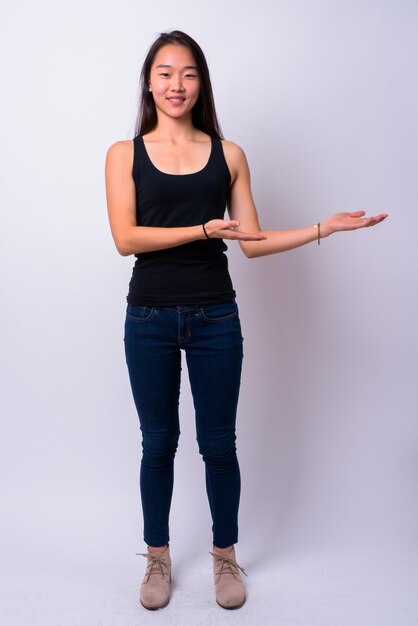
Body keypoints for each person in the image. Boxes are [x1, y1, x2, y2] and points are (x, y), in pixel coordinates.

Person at [104, 29, 388, 611]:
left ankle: (224, 557)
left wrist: (321, 228)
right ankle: (156, 559)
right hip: (149, 318)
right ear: (148, 81)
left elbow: (251, 242)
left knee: (219, 446)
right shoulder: (122, 154)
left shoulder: (228, 154)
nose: (175, 84)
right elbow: (125, 238)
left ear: (201, 81)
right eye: (164, 73)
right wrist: (203, 229)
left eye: (187, 73)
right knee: (158, 442)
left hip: (215, 319)